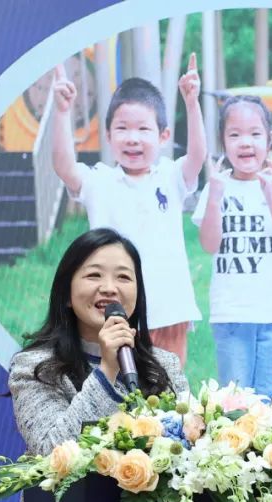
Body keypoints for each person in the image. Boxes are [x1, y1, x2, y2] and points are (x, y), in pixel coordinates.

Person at [8, 227, 189, 502]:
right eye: (94, 275)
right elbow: (53, 452)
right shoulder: (34, 367)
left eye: (123, 277)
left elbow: (188, 452)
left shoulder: (164, 366)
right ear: (67, 292)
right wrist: (107, 372)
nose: (109, 288)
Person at [50, 55, 207, 366]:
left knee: (170, 385)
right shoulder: (99, 181)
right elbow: (64, 166)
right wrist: (62, 111)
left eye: (143, 129)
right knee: (118, 384)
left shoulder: (171, 177)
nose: (133, 138)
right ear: (108, 136)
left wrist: (192, 103)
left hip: (169, 308)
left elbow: (198, 156)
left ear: (163, 136)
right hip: (115, 310)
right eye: (122, 128)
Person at [191, 95, 272, 398]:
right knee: (235, 403)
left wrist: (271, 197)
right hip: (231, 315)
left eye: (255, 134)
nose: (245, 142)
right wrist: (214, 197)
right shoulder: (216, 186)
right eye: (235, 134)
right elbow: (209, 244)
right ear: (223, 141)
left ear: (269, 139)